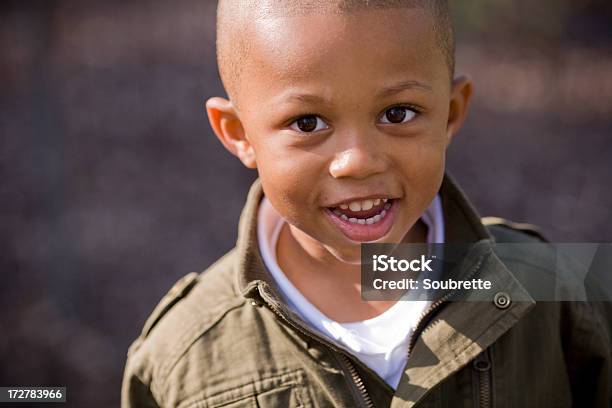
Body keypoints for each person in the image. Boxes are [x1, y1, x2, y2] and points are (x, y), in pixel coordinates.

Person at [121, 1, 611, 406]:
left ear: (450, 113)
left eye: (397, 113)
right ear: (238, 134)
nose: (356, 162)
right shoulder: (183, 358)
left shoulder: (551, 290)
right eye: (308, 123)